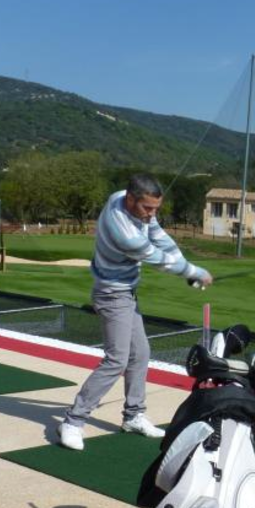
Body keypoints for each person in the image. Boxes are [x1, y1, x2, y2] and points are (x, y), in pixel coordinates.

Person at [58, 174, 213, 451]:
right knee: (116, 359)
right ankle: (73, 421)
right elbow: (158, 258)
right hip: (111, 295)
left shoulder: (123, 198)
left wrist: (186, 267)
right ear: (131, 199)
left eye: (156, 208)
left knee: (140, 353)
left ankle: (133, 416)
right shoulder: (123, 232)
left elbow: (159, 236)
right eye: (147, 208)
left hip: (127, 294)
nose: (151, 214)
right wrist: (194, 272)